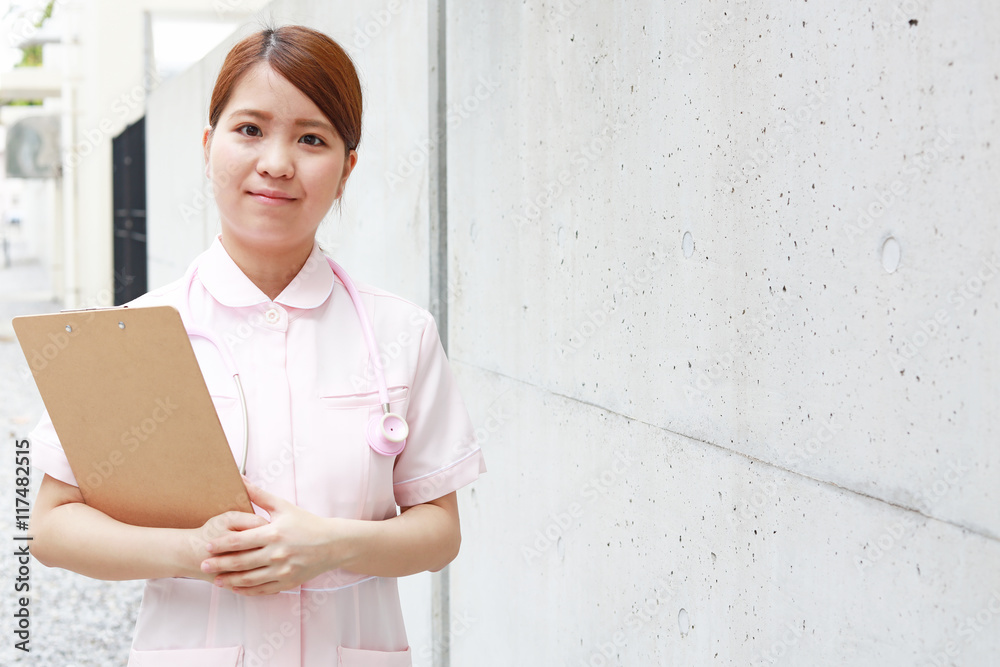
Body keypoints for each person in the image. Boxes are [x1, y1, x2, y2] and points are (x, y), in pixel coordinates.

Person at [27, 24, 485, 666]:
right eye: (250, 129)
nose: (276, 162)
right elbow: (51, 526)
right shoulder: (136, 332)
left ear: (346, 169)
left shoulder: (400, 332)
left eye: (311, 138)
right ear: (208, 145)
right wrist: (193, 551)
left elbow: (439, 532)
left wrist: (330, 546)